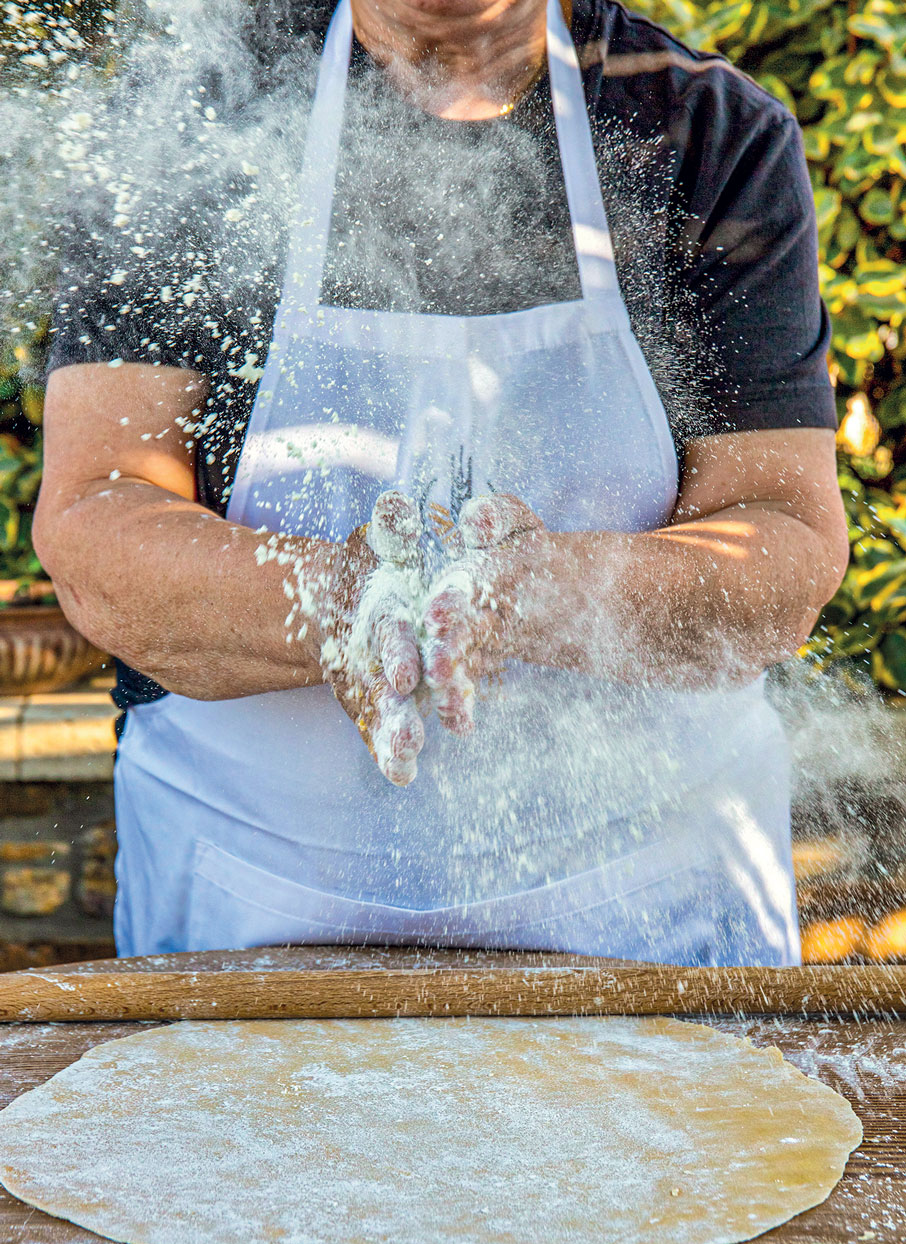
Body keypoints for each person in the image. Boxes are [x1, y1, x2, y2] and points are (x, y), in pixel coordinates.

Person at [35, 0, 849, 963]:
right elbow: (100, 518)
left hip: (651, 908)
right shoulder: (184, 116)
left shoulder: (708, 133)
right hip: (251, 908)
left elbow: (782, 537)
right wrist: (341, 605)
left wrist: (532, 594)